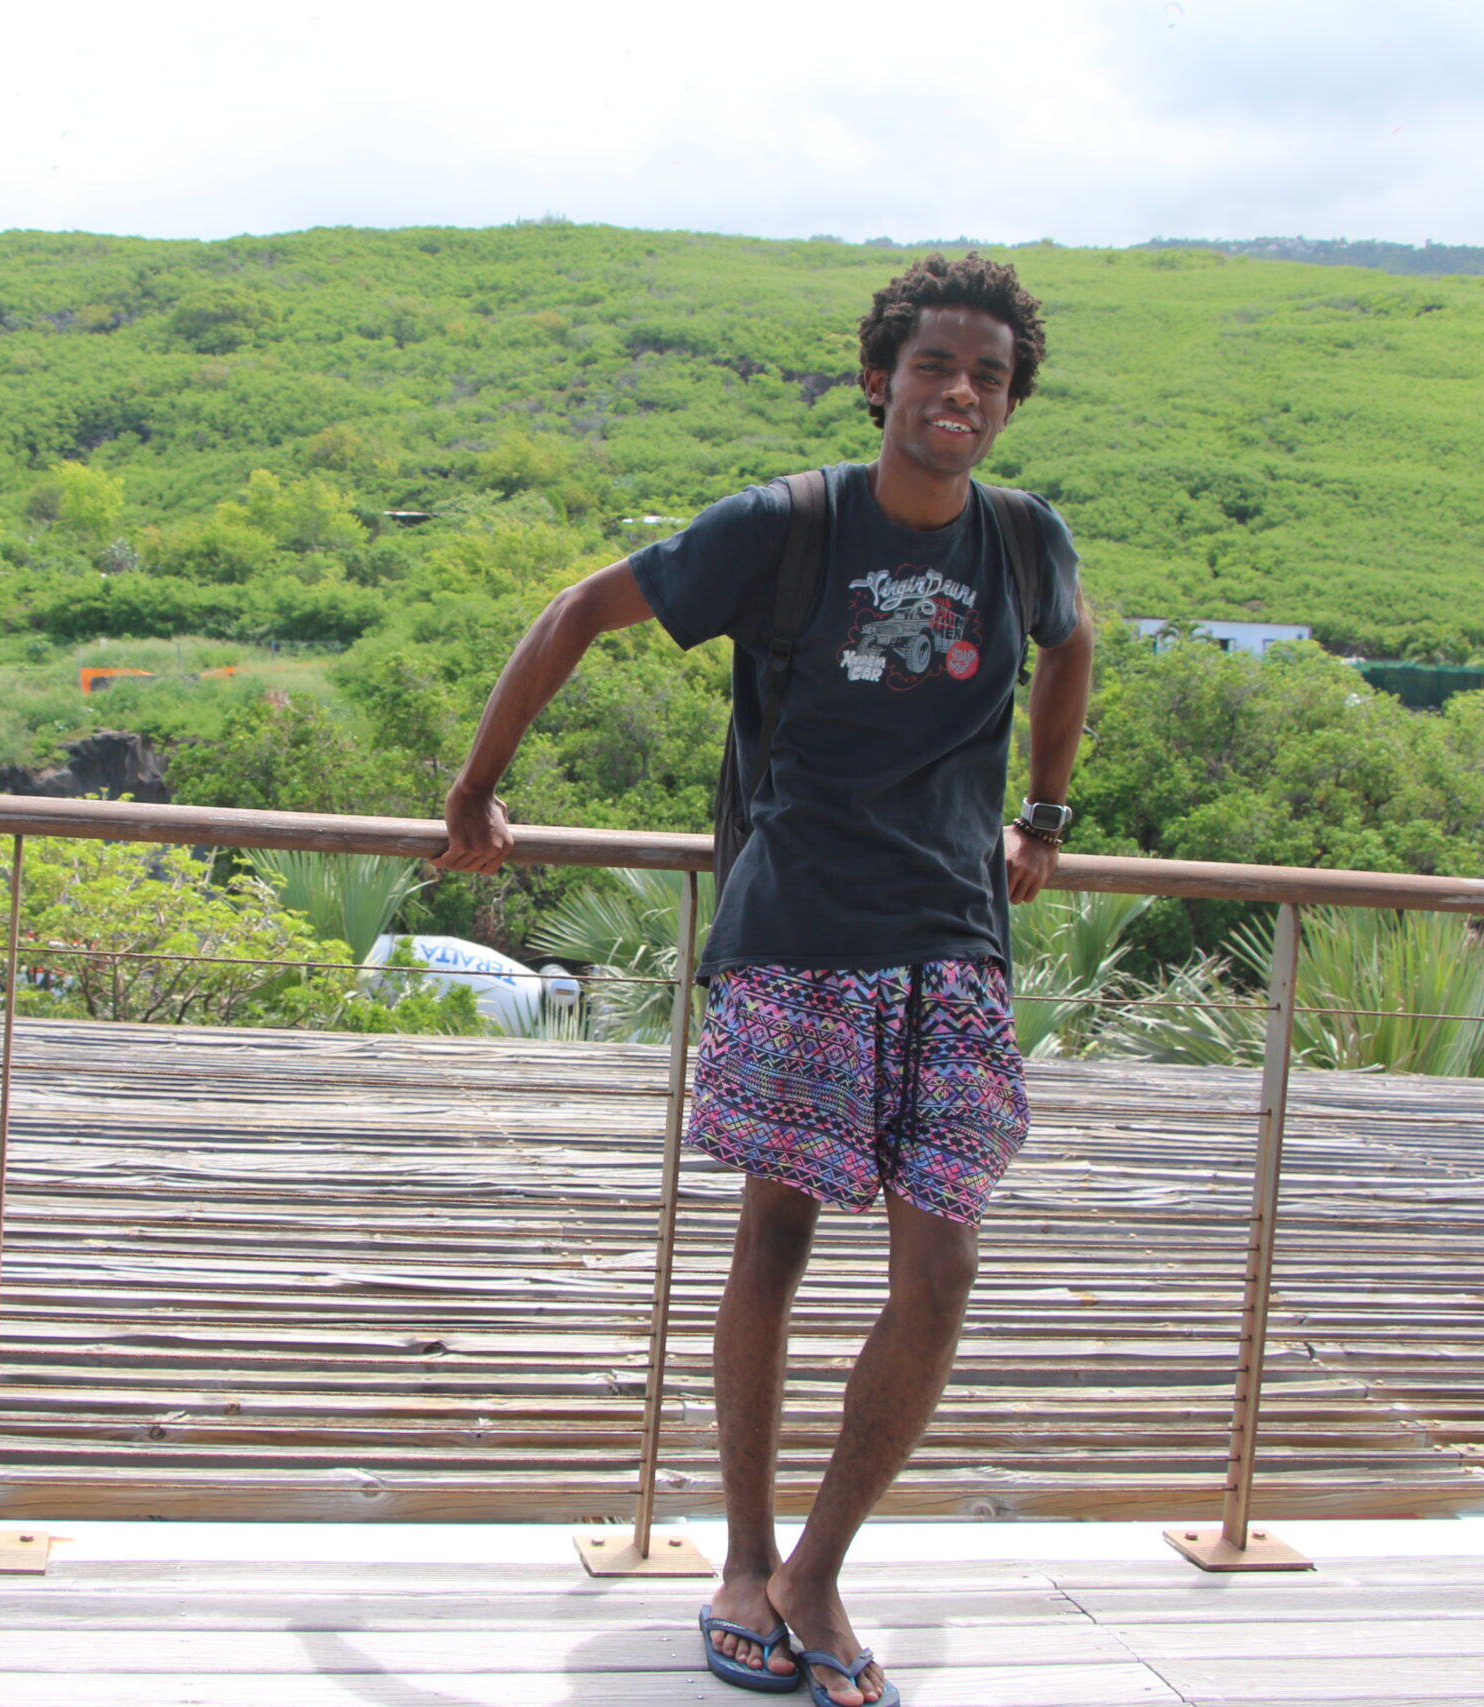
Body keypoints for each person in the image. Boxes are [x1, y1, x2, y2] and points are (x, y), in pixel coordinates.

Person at [438, 253, 1093, 1707]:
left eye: (988, 377)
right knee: (776, 1242)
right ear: (879, 380)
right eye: (936, 367)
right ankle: (744, 1562)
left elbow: (1074, 644)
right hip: (798, 925)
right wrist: (476, 788)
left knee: (944, 1263)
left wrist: (1044, 817)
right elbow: (576, 611)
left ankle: (818, 1570)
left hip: (954, 938)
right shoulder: (787, 524)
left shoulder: (1022, 538)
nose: (962, 394)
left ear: (1009, 402)